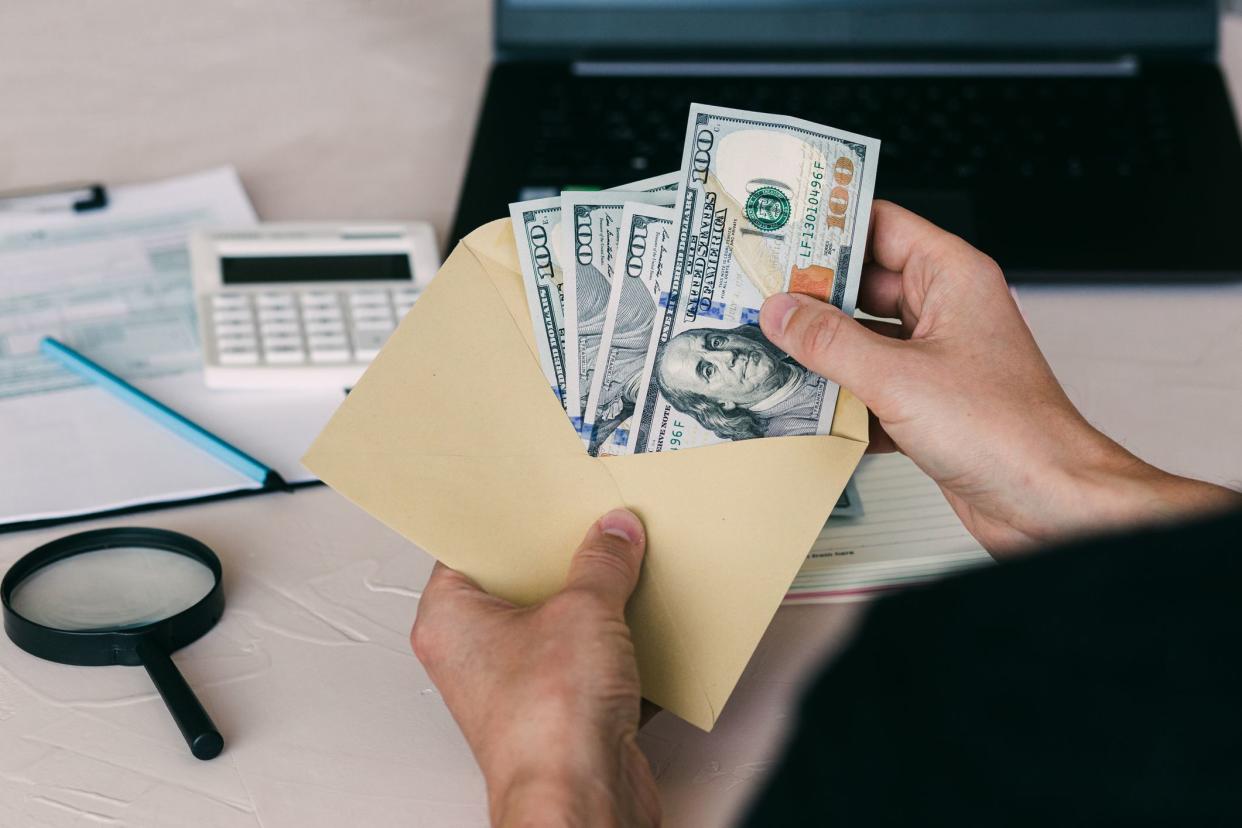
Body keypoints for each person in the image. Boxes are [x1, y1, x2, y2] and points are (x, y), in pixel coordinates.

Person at [411, 202, 1242, 827]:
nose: (723, 354)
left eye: (707, 345)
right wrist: (1068, 482)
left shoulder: (941, 688)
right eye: (701, 366)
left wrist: (551, 775)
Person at [654, 323, 828, 439]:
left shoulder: (809, 338)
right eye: (709, 370)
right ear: (721, 404)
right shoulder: (794, 439)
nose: (728, 355)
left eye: (715, 342)